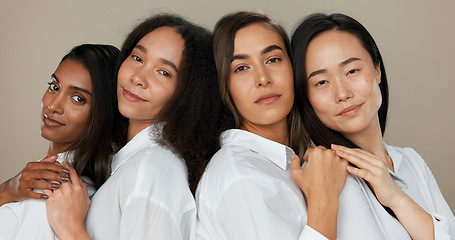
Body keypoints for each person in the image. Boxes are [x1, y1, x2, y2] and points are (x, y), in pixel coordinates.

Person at [44, 14, 227, 240]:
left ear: (189, 95)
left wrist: (71, 228)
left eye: (164, 72)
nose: (138, 77)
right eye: (138, 58)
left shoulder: (151, 169)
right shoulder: (132, 163)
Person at [291, 13, 455, 240]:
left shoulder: (411, 161)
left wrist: (395, 197)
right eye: (321, 82)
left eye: (352, 71)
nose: (343, 94)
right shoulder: (320, 179)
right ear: (305, 96)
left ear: (377, 69)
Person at [196, 11, 348, 240]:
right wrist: (324, 201)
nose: (263, 78)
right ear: (224, 86)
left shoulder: (291, 163)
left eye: (273, 59)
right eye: (241, 68)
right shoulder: (241, 177)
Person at [0, 44, 119, 239]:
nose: (53, 105)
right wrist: (7, 190)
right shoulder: (37, 178)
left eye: (78, 98)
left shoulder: (53, 187)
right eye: (55, 87)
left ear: (104, 113)